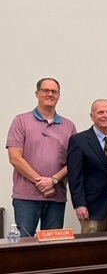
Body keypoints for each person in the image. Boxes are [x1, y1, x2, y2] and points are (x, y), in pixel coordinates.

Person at [6, 78, 77, 236]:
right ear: (37, 93)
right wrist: (41, 182)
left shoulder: (69, 126)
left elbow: (74, 161)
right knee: (23, 244)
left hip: (55, 196)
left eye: (54, 91)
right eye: (46, 90)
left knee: (52, 248)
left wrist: (53, 181)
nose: (50, 94)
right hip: (26, 197)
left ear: (59, 96)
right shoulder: (21, 121)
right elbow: (15, 158)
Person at [66, 99, 107, 233]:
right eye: (100, 112)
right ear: (92, 116)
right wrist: (79, 204)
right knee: (91, 248)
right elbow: (75, 176)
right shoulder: (78, 141)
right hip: (91, 207)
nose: (105, 115)